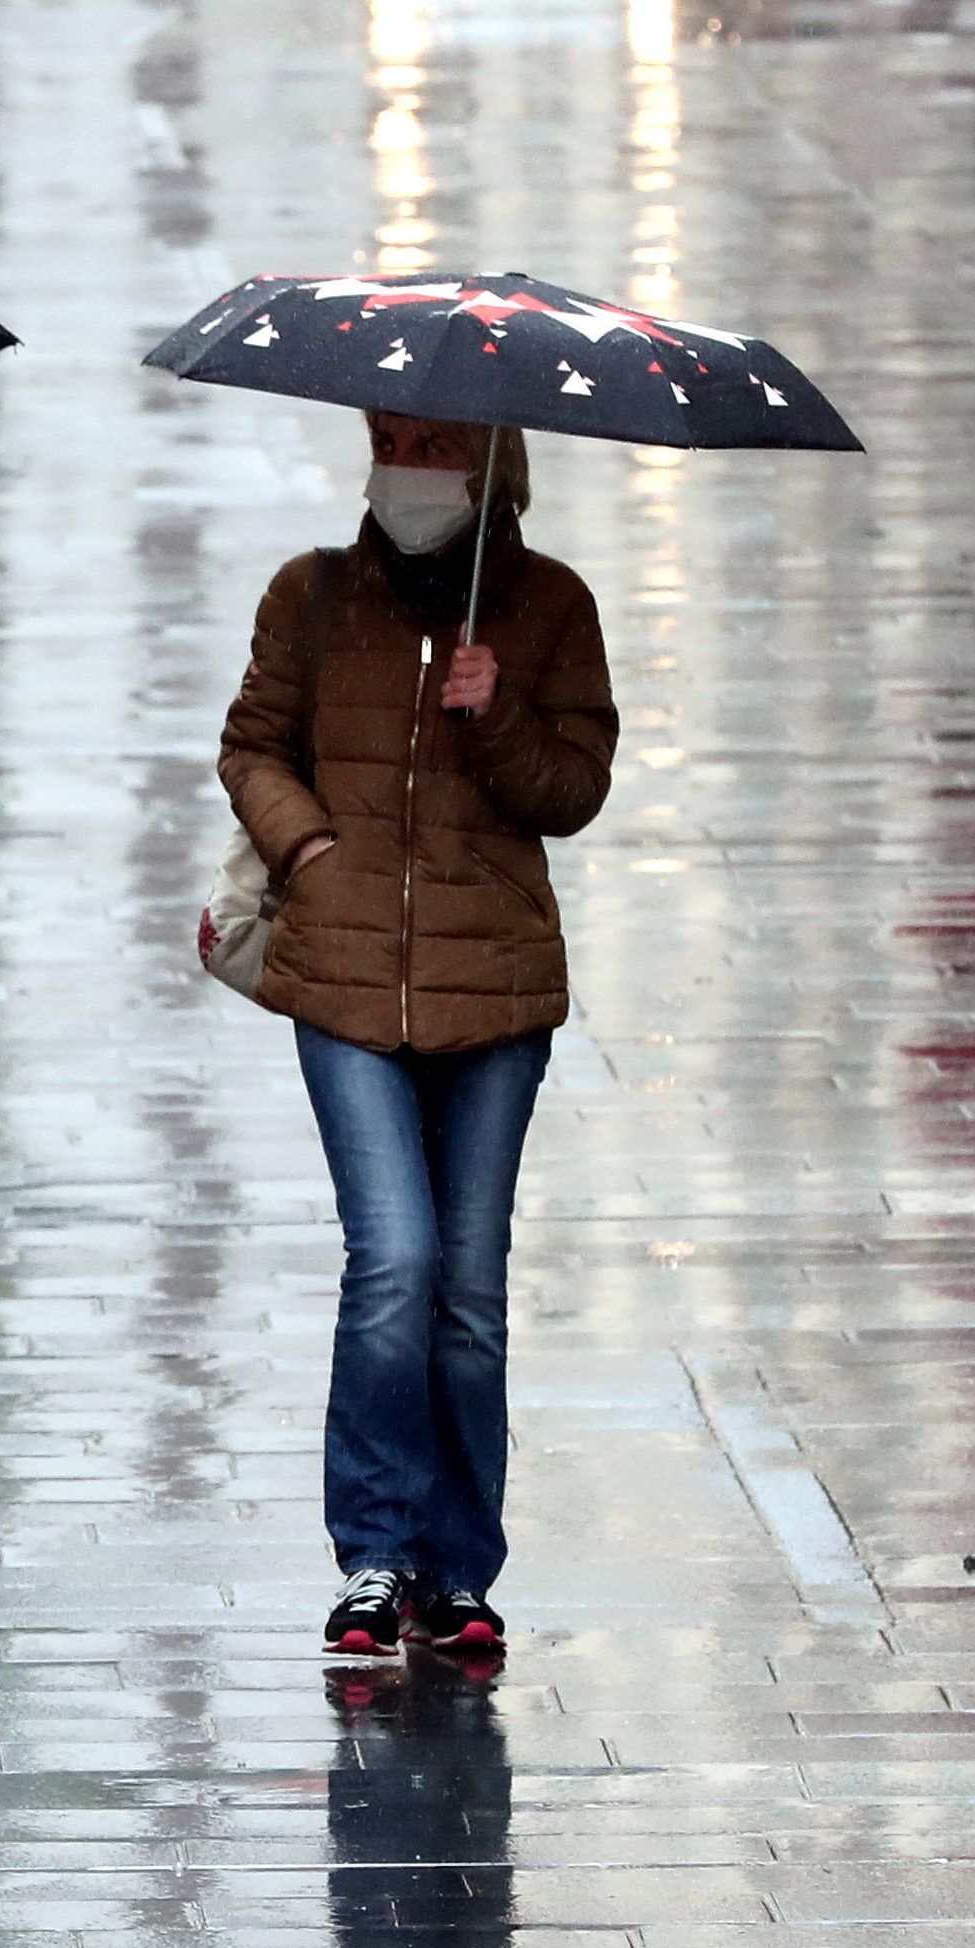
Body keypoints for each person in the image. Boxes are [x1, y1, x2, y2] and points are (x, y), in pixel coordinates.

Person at [218, 413, 616, 1659]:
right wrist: (307, 851)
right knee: (391, 1259)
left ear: (488, 461)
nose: (407, 463)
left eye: (434, 441)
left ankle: (456, 1568)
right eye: (389, 434)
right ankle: (375, 1551)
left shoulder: (547, 605)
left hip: (491, 993)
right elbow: (252, 747)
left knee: (467, 1286)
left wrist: (496, 712)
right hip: (343, 987)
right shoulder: (314, 594)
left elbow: (576, 788)